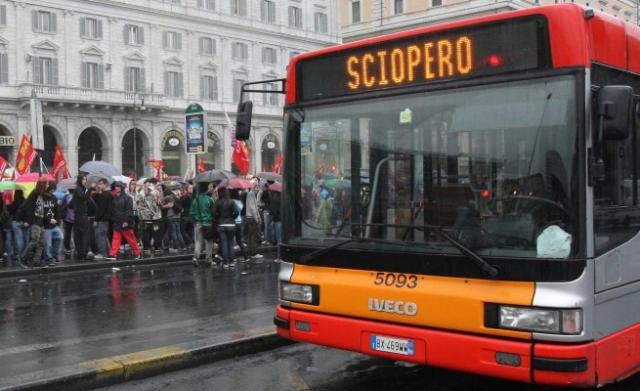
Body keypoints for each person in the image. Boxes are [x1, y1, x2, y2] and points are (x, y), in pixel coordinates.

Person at [18, 179, 59, 267]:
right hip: (35, 221)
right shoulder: (34, 194)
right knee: (34, 241)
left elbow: (45, 208)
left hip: (41, 222)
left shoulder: (42, 194)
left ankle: (36, 261)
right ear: (42, 184)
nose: (48, 185)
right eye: (46, 184)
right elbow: (27, 207)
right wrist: (28, 221)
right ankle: (23, 257)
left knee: (41, 242)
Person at [106, 182, 141, 261]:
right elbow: (113, 210)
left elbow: (129, 210)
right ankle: (112, 254)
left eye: (118, 187)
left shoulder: (127, 198)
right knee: (116, 239)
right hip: (117, 221)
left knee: (131, 239)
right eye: (116, 187)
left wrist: (126, 221)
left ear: (121, 188)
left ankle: (137, 253)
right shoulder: (115, 198)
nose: (116, 188)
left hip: (125, 222)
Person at [212, 187, 238, 268]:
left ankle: (226, 262)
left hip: (221, 224)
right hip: (231, 224)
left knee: (224, 243)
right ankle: (231, 262)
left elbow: (213, 213)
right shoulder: (232, 201)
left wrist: (218, 217)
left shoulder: (218, 202)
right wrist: (232, 217)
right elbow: (237, 212)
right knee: (231, 243)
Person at [190, 183, 214, 266]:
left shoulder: (195, 200)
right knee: (209, 242)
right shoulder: (209, 199)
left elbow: (192, 213)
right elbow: (213, 211)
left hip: (198, 223)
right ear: (206, 189)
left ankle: (195, 258)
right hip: (208, 223)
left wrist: (196, 220)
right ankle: (208, 260)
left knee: (198, 241)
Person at [137, 183, 163, 257]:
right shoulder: (156, 193)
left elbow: (139, 206)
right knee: (155, 232)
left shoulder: (141, 194)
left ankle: (146, 248)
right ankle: (156, 248)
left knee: (146, 233)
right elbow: (160, 203)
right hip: (155, 217)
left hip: (146, 218)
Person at [72, 174, 93, 261]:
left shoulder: (80, 189)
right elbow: (83, 198)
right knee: (83, 234)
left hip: (80, 214)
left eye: (85, 179)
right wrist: (90, 189)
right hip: (80, 214)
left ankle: (81, 253)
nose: (85, 181)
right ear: (80, 180)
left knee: (80, 234)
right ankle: (83, 253)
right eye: (83, 179)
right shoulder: (78, 189)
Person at [161, 187, 185, 254]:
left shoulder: (168, 197)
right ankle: (183, 246)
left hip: (171, 217)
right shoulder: (176, 197)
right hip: (178, 217)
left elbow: (169, 204)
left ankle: (176, 247)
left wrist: (163, 206)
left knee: (173, 233)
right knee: (178, 232)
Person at [92, 178, 112, 260]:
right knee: (104, 236)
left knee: (100, 236)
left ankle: (102, 253)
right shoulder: (109, 194)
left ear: (105, 184)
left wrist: (96, 220)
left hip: (102, 220)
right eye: (98, 184)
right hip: (106, 219)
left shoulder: (104, 195)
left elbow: (100, 209)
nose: (99, 186)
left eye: (100, 184)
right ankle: (107, 252)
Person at [244, 180, 263, 261]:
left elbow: (254, 207)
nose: (258, 189)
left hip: (251, 218)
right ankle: (253, 253)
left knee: (251, 236)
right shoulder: (251, 194)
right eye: (257, 187)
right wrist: (256, 217)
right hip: (251, 218)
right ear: (254, 187)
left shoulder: (251, 194)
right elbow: (252, 207)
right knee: (253, 236)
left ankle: (251, 252)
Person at [9, 189, 27, 261]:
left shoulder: (14, 202)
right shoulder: (25, 201)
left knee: (17, 239)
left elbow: (10, 212)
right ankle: (23, 254)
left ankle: (18, 254)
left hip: (15, 222)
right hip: (24, 222)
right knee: (24, 238)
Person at [231, 190, 247, 262]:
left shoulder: (231, 202)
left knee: (231, 241)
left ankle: (232, 257)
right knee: (240, 241)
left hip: (233, 222)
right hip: (239, 222)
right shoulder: (240, 202)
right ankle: (246, 256)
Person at [180, 184, 195, 249]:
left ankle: (189, 242)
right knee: (190, 230)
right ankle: (190, 243)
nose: (191, 189)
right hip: (191, 216)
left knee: (183, 231)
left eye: (191, 188)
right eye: (190, 188)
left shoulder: (183, 197)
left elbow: (180, 207)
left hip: (185, 216)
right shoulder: (194, 197)